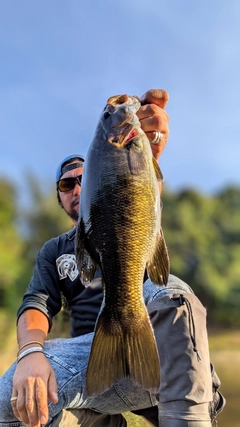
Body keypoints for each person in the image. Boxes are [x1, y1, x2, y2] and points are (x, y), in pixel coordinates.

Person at [0, 89, 225, 427]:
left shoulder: (130, 171)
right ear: (59, 198)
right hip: (94, 367)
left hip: (159, 351)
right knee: (12, 394)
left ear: (96, 176)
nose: (76, 187)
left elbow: (139, 196)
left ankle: (188, 413)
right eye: (65, 184)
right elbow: (35, 305)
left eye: (82, 177)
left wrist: (152, 151)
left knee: (176, 297)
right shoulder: (53, 251)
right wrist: (31, 352)